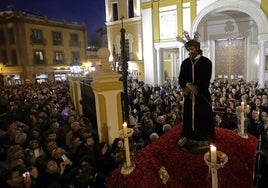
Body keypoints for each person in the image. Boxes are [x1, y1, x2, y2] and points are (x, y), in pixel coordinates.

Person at [177, 38, 215, 151]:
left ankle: (204, 138)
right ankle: (188, 136)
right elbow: (181, 79)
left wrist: (193, 88)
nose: (190, 51)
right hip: (189, 97)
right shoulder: (185, 63)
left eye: (192, 48)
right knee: (188, 116)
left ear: (197, 48)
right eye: (188, 49)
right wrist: (188, 85)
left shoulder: (206, 62)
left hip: (202, 95)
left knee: (202, 115)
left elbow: (205, 80)